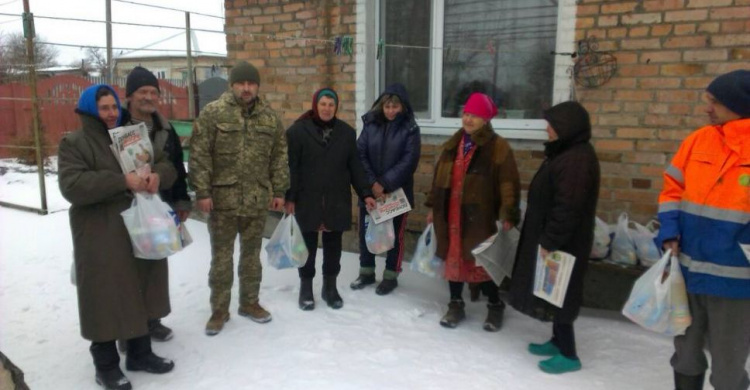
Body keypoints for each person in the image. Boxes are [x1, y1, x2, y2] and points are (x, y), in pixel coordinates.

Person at [58, 84, 177, 390]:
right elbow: (73, 185)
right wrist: (121, 181)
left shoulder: (132, 136)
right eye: (103, 108)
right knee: (104, 295)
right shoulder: (75, 143)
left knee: (139, 288)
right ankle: (106, 365)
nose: (111, 114)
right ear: (88, 111)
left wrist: (157, 176)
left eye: (113, 107)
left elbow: (165, 161)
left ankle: (140, 353)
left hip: (139, 226)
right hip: (100, 233)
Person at [655, 70, 750, 390]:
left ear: (739, 104)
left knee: (728, 367)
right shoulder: (698, 140)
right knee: (685, 354)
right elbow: (672, 190)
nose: (707, 108)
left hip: (737, 285)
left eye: (715, 102)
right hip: (689, 273)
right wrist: (668, 232)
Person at [189, 61, 289, 336]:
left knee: (251, 257)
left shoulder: (269, 118)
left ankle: (250, 303)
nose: (246, 88)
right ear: (232, 85)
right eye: (241, 83)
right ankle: (219, 311)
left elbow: (279, 156)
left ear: (257, 86)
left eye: (251, 84)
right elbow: (199, 154)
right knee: (221, 259)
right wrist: (203, 192)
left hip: (256, 200)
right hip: (222, 201)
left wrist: (279, 191)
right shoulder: (213, 114)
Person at [508, 101, 600, 375]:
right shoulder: (568, 153)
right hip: (555, 237)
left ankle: (569, 354)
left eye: (553, 124)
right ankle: (557, 341)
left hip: (564, 242)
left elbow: (568, 207)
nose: (547, 128)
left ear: (567, 128)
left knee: (561, 294)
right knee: (553, 291)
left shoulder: (577, 160)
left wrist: (550, 241)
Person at [425, 92, 521, 331]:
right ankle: (455, 304)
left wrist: (508, 213)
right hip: (451, 214)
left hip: (480, 215)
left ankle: (495, 305)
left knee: (482, 262)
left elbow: (508, 182)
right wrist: (432, 207)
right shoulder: (452, 144)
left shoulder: (498, 147)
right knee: (453, 258)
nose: (468, 120)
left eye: (475, 116)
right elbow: (438, 179)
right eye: (466, 114)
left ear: (486, 119)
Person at [116, 66, 191, 347]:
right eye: (142, 92)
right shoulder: (116, 126)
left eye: (153, 92)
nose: (148, 97)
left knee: (155, 264)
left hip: (158, 205)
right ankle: (129, 330)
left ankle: (152, 321)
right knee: (128, 269)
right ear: (130, 95)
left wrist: (182, 200)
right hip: (126, 208)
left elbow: (176, 167)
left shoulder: (164, 128)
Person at [285, 88, 377, 310]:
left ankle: (330, 287)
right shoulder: (297, 132)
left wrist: (365, 193)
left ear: (336, 108)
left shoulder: (346, 133)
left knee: (333, 244)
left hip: (336, 198)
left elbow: (355, 166)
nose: (327, 108)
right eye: (323, 104)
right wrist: (290, 197)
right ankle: (306, 288)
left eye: (331, 105)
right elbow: (291, 168)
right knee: (307, 244)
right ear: (316, 105)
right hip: (308, 198)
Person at [350, 83, 421, 295]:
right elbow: (360, 153)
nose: (390, 111)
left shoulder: (410, 129)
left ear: (403, 107)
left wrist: (385, 184)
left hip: (395, 192)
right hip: (371, 192)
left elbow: (409, 161)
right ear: (381, 106)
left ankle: (391, 275)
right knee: (366, 232)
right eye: (387, 106)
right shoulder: (371, 124)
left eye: (395, 107)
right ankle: (366, 272)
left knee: (394, 236)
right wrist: (372, 183)